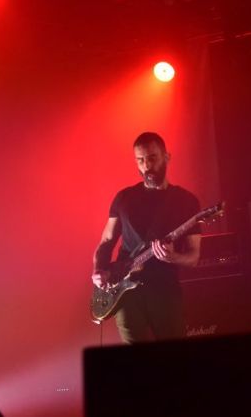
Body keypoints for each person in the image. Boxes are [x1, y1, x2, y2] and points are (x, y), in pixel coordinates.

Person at [91, 132, 201, 343]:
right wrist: (98, 270)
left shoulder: (186, 201)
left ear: (166, 157)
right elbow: (106, 241)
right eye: (140, 160)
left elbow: (194, 257)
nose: (146, 165)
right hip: (125, 293)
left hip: (165, 291)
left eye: (152, 158)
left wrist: (173, 257)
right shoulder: (124, 198)